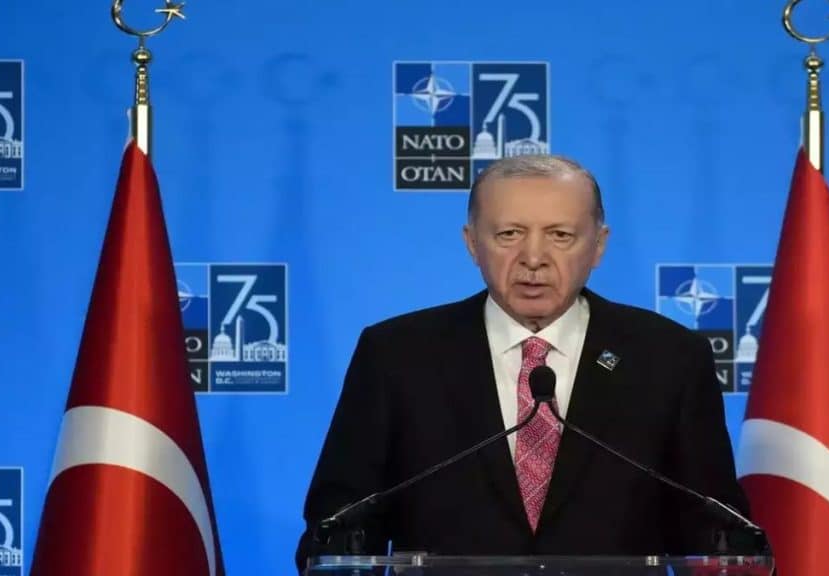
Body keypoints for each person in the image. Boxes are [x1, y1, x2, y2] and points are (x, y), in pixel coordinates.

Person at [295, 155, 750, 572]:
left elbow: (713, 529)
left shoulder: (668, 358)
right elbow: (338, 527)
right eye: (509, 234)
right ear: (472, 243)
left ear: (598, 245)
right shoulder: (397, 355)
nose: (533, 258)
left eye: (560, 235)